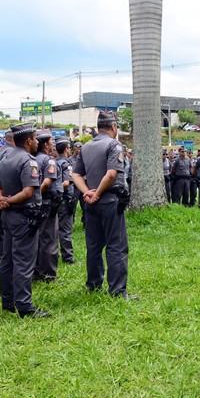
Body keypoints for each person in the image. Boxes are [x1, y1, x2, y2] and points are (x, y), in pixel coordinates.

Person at [71, 111, 135, 299]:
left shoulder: (86, 146)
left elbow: (75, 175)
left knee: (94, 245)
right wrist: (98, 193)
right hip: (109, 200)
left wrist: (87, 193)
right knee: (116, 245)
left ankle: (93, 284)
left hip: (90, 202)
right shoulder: (114, 145)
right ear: (113, 127)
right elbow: (111, 174)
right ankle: (117, 290)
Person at [0, 123, 50, 318]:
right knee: (23, 262)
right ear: (28, 141)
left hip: (8, 217)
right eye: (34, 139)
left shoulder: (5, 160)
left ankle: (7, 301)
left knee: (7, 259)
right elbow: (28, 191)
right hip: (24, 216)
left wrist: (0, 200)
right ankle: (24, 306)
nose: (36, 142)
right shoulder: (28, 161)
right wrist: (7, 201)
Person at [34, 130, 59, 282]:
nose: (53, 145)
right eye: (51, 142)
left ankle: (36, 270)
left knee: (37, 237)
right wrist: (36, 195)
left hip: (35, 204)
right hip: (46, 203)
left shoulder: (32, 158)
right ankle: (48, 274)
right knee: (49, 239)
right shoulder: (48, 161)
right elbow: (47, 182)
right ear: (45, 144)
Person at [0, 131, 15, 269]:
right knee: (8, 233)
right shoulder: (12, 153)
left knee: (1, 231)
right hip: (8, 198)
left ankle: (0, 260)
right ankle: (5, 263)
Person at [55, 138, 76, 265]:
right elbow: (67, 183)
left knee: (54, 229)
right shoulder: (66, 164)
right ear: (66, 149)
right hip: (65, 200)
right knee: (65, 230)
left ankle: (55, 254)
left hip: (56, 200)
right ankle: (68, 257)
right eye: (68, 148)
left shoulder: (54, 162)